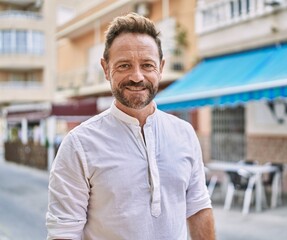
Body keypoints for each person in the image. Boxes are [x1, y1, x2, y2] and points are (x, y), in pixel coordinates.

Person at [46, 12, 215, 240]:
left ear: (161, 67)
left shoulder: (184, 133)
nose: (137, 76)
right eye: (124, 65)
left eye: (147, 65)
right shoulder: (78, 145)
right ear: (106, 68)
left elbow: (198, 208)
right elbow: (64, 233)